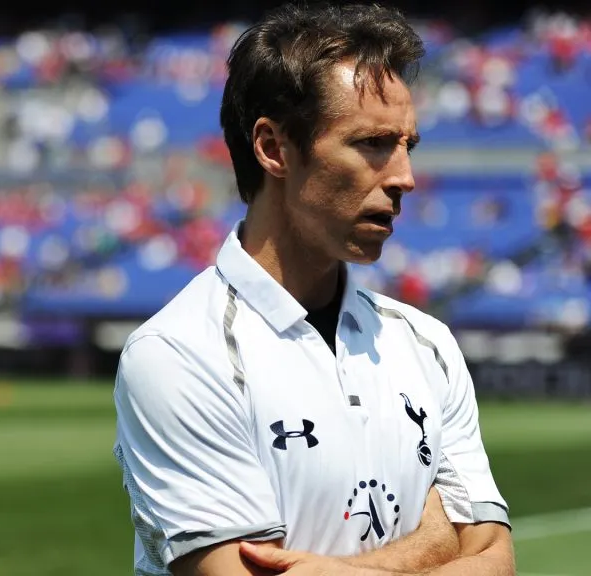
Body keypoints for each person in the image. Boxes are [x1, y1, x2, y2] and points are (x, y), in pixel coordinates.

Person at [112, 4, 514, 575]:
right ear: (274, 148)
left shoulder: (427, 343)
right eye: (374, 143)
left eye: (408, 146)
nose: (405, 177)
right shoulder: (178, 354)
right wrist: (436, 541)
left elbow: (498, 561)